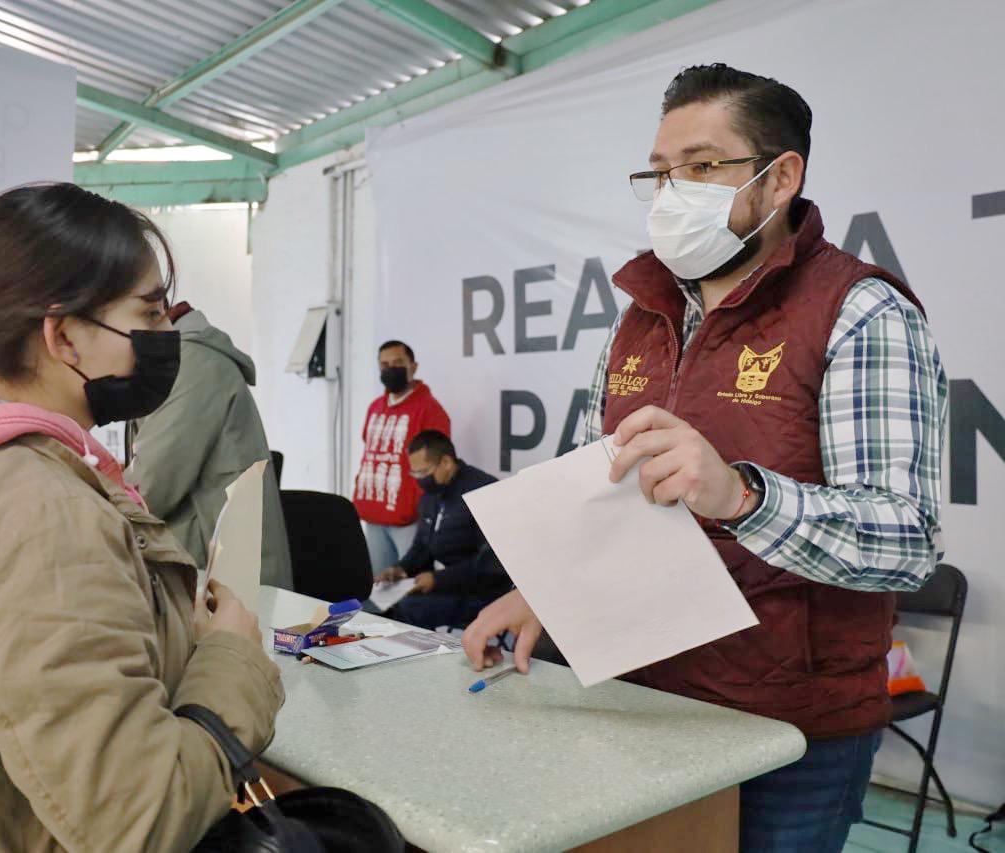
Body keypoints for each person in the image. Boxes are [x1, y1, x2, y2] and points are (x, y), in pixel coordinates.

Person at [463, 64, 946, 853]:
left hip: (789, 731)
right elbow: (605, 491)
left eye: (700, 166)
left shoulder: (859, 310)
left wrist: (743, 496)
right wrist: (544, 591)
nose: (671, 192)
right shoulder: (642, 317)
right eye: (658, 173)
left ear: (780, 176)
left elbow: (907, 542)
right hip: (642, 700)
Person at [0, 183, 282, 852]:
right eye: (150, 312)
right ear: (64, 334)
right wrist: (232, 655)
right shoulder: (39, 515)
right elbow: (140, 813)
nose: (169, 335)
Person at [126, 301, 293, 590]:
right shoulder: (176, 361)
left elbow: (149, 490)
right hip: (205, 569)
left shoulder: (190, 363)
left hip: (218, 581)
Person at [376, 431, 510, 631]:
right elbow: (422, 546)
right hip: (451, 585)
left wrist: (438, 579)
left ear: (446, 462)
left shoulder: (483, 490)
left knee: (410, 609)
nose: (419, 480)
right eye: (414, 474)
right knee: (384, 605)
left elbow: (492, 562)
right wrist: (401, 569)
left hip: (483, 591)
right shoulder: (432, 495)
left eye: (423, 472)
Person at [353, 340, 451, 574]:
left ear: (413, 366)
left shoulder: (430, 409)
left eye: (398, 363)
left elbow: (437, 465)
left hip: (410, 520)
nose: (391, 369)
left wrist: (422, 509)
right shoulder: (375, 407)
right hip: (374, 514)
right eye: (384, 364)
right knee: (377, 590)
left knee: (408, 590)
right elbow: (369, 450)